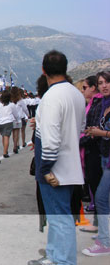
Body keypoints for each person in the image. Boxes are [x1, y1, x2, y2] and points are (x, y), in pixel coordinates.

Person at [28, 50, 86, 265]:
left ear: (43, 71)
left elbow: (51, 141)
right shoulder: (75, 94)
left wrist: (44, 171)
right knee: (59, 216)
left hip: (55, 169)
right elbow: (79, 128)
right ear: (65, 68)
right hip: (71, 164)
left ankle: (63, 260)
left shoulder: (51, 98)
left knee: (60, 218)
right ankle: (54, 255)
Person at [82, 71, 110, 256]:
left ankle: (105, 242)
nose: (104, 85)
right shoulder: (104, 105)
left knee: (100, 198)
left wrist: (102, 134)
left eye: (107, 82)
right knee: (104, 198)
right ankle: (104, 235)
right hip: (104, 155)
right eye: (101, 82)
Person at [78, 75, 103, 234]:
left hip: (95, 151)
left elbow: (92, 130)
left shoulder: (97, 105)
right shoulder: (92, 104)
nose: (83, 90)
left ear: (93, 88)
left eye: (85, 87)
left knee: (98, 187)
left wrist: (79, 140)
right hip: (92, 149)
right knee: (96, 187)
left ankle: (100, 225)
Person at [0, 90, 18, 158]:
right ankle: (5, 152)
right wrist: (17, 120)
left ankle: (5, 149)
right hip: (8, 121)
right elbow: (16, 114)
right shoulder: (11, 105)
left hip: (0, 122)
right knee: (6, 137)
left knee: (3, 136)